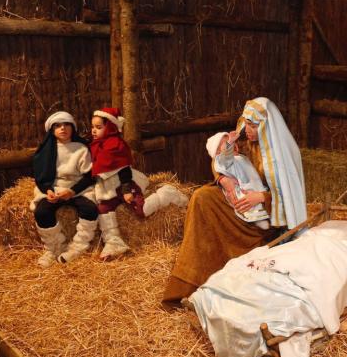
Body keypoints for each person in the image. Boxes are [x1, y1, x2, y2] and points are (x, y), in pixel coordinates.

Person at [163, 97, 306, 307]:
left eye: (253, 126)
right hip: (240, 205)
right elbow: (221, 158)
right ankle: (190, 279)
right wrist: (223, 179)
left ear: (266, 127)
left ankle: (222, 282)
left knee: (208, 203)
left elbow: (291, 197)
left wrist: (261, 197)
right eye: (246, 124)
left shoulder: (281, 154)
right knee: (202, 197)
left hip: (266, 218)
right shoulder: (247, 141)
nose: (247, 130)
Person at [90, 107, 187, 260]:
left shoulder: (115, 145)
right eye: (92, 127)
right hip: (108, 189)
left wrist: (127, 191)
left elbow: (124, 171)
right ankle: (114, 242)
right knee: (103, 209)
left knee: (141, 210)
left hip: (124, 185)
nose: (94, 130)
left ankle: (166, 194)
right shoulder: (96, 146)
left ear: (109, 128)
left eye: (98, 127)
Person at [31, 111, 98, 267]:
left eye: (67, 124)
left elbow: (89, 176)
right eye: (58, 126)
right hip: (54, 188)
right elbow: (41, 177)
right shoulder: (46, 150)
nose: (63, 128)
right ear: (52, 130)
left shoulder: (81, 149)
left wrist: (72, 191)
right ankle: (54, 248)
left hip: (77, 187)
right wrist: (48, 191)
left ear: (72, 128)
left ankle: (78, 247)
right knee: (42, 212)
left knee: (90, 209)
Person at [205, 130, 270, 229]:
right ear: (218, 153)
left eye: (233, 142)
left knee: (258, 195)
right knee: (248, 201)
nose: (233, 144)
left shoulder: (239, 157)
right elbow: (226, 157)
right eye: (227, 143)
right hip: (244, 188)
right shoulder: (224, 161)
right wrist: (230, 142)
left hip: (255, 184)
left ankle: (262, 216)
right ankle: (257, 220)